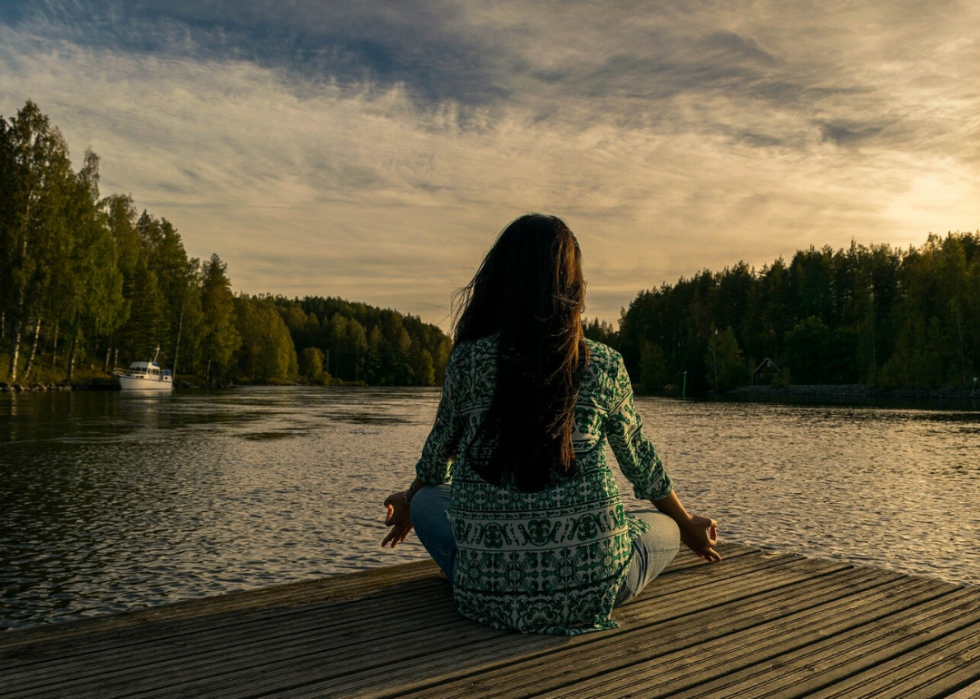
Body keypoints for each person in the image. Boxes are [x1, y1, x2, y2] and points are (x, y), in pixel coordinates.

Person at [382, 214, 719, 636]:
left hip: (486, 595)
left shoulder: (467, 361)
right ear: (572, 287)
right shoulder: (604, 364)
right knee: (664, 525)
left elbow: (436, 461)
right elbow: (642, 467)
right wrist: (688, 525)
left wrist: (411, 497)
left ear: (500, 281)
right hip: (594, 588)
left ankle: (482, 571)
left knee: (431, 498)